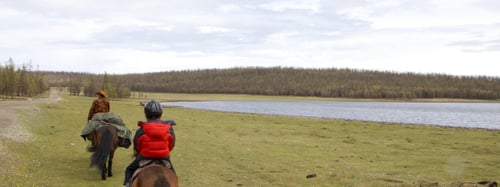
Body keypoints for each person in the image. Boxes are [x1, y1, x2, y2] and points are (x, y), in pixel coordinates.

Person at [123, 100, 176, 187]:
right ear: (161, 115)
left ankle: (127, 185)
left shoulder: (141, 130)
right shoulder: (169, 129)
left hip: (144, 156)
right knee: (173, 175)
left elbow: (137, 147)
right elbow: (171, 145)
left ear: (146, 115)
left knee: (129, 170)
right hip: (164, 157)